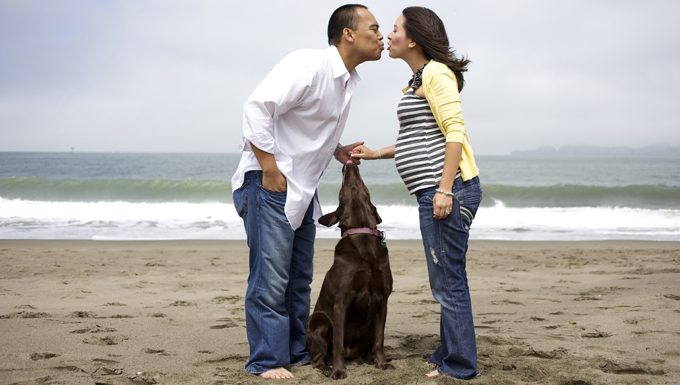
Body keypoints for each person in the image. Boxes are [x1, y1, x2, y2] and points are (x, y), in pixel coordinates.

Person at [231, 4, 384, 380]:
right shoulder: (309, 65)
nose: (381, 36)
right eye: (374, 28)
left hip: (302, 190)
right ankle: (267, 361)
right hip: (270, 184)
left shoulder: (347, 82)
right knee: (270, 280)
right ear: (348, 34)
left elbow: (307, 129)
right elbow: (256, 108)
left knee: (299, 280)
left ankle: (296, 352)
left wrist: (338, 150)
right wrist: (269, 168)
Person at [351, 6, 482, 380]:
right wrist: (377, 152)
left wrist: (444, 190)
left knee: (448, 280)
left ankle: (459, 364)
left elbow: (454, 132)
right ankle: (448, 351)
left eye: (393, 29)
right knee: (444, 277)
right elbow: (418, 137)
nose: (387, 35)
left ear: (412, 39)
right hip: (436, 192)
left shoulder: (438, 75)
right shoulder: (416, 80)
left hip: (447, 192)